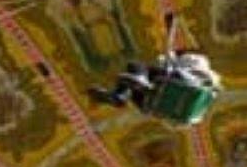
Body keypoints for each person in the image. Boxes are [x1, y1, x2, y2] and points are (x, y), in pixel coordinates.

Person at [90, 50, 221, 120]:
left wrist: (172, 55)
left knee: (135, 65)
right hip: (157, 103)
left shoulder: (200, 61)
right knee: (135, 87)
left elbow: (165, 61)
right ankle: (121, 96)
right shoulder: (204, 99)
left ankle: (125, 91)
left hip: (179, 82)